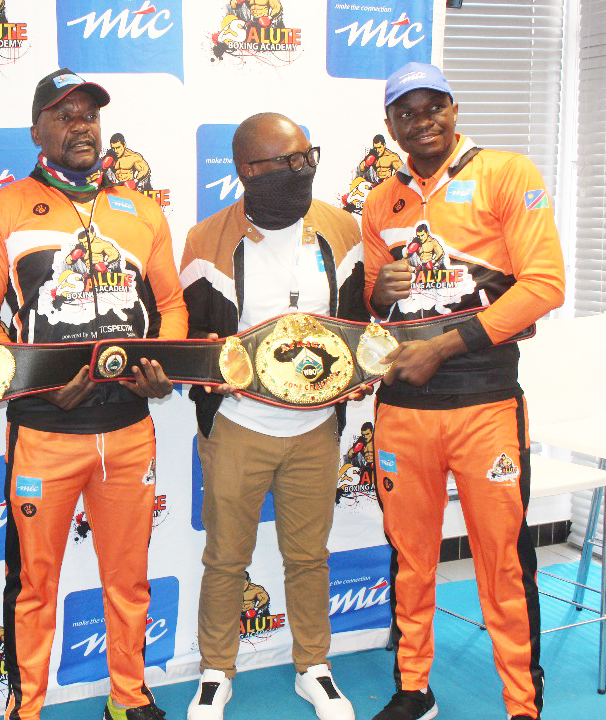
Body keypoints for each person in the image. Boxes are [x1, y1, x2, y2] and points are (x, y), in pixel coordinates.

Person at [0, 68, 188, 720]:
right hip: (44, 431)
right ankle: (25, 707)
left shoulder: (141, 210)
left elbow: (171, 306)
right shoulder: (2, 211)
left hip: (128, 428)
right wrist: (34, 381)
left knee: (129, 577)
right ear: (37, 131)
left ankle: (128, 695)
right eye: (64, 116)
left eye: (89, 114)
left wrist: (163, 362)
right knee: (34, 584)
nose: (81, 126)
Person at [363, 62, 565, 720]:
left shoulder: (507, 174)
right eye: (406, 111)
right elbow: (375, 311)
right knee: (410, 558)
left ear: (454, 108)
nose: (422, 121)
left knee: (502, 561)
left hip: (484, 403)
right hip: (403, 410)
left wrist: (445, 347)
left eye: (433, 107)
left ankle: (521, 704)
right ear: (390, 124)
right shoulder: (380, 201)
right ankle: (413, 689)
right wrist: (378, 293)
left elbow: (544, 285)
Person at [179, 112, 364, 720]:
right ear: (246, 171)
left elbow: (358, 325)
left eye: (306, 157)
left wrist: (358, 373)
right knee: (225, 559)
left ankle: (314, 666)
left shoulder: (342, 227)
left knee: (309, 556)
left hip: (315, 429)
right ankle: (216, 670)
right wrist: (210, 364)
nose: (300, 170)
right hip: (239, 427)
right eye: (284, 162)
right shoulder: (206, 239)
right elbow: (191, 337)